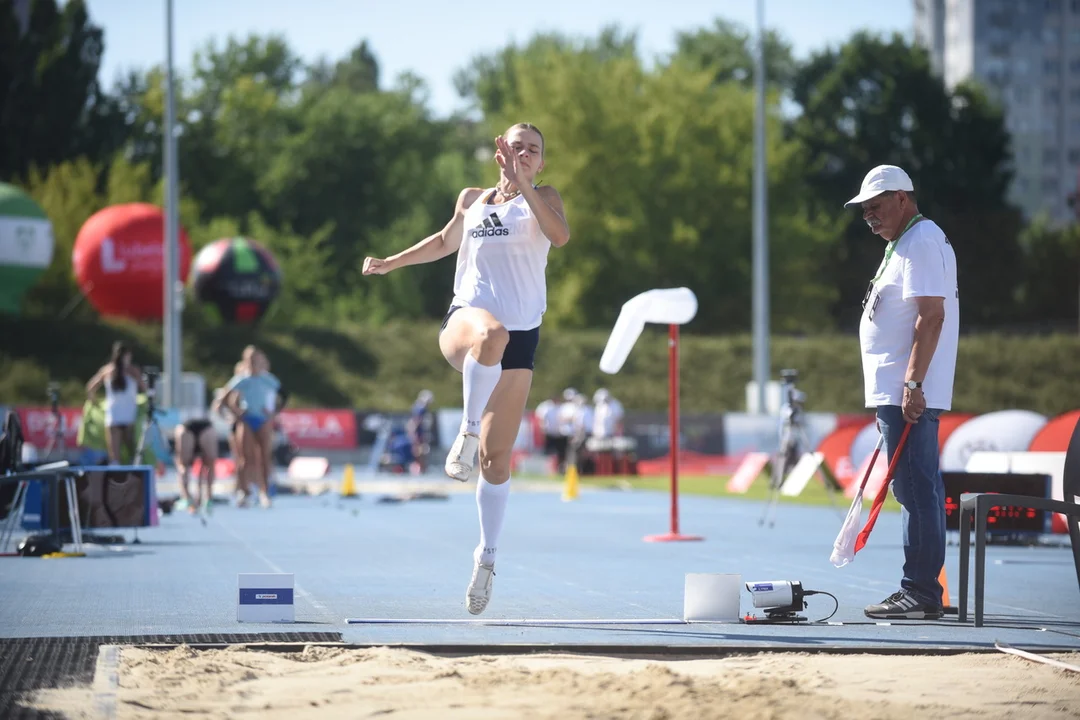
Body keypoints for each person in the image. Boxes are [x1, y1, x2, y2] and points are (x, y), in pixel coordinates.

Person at [363, 122, 570, 615]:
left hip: (522, 339)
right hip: (466, 322)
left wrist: (523, 186)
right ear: (500, 149)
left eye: (533, 150)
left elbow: (559, 237)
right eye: (516, 145)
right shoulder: (472, 198)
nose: (523, 153)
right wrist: (391, 262)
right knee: (489, 333)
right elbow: (442, 241)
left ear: (541, 162)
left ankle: (486, 557)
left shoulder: (544, 198)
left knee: (497, 463)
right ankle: (467, 427)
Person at [846, 165, 959, 620]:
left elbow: (931, 315)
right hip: (899, 389)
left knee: (915, 490)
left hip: (906, 391)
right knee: (919, 489)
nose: (870, 216)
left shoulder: (921, 240)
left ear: (902, 199)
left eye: (876, 206)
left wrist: (912, 383)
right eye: (864, 211)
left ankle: (920, 591)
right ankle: (923, 589)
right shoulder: (905, 242)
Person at [222, 347, 282, 509]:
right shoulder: (242, 379)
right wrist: (238, 413)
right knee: (244, 458)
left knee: (264, 457)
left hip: (262, 419)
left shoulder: (268, 379)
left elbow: (281, 396)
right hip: (247, 419)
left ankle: (264, 491)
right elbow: (226, 398)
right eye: (251, 361)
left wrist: (272, 413)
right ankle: (244, 491)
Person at [85, 342, 146, 464]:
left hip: (113, 415)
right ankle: (134, 478)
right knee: (133, 454)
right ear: (127, 355)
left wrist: (95, 403)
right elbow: (145, 388)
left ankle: (116, 480)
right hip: (130, 416)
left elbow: (90, 388)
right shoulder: (133, 371)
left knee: (114, 456)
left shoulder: (107, 370)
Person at [173, 417, 218, 515]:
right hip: (206, 428)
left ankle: (187, 498)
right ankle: (207, 498)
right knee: (209, 464)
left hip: (186, 427)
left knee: (182, 465)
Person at [406, 389, 436, 473]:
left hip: (419, 434)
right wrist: (413, 435)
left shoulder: (417, 407)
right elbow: (415, 422)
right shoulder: (420, 409)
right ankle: (420, 470)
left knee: (420, 452)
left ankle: (420, 469)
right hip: (419, 435)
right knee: (420, 453)